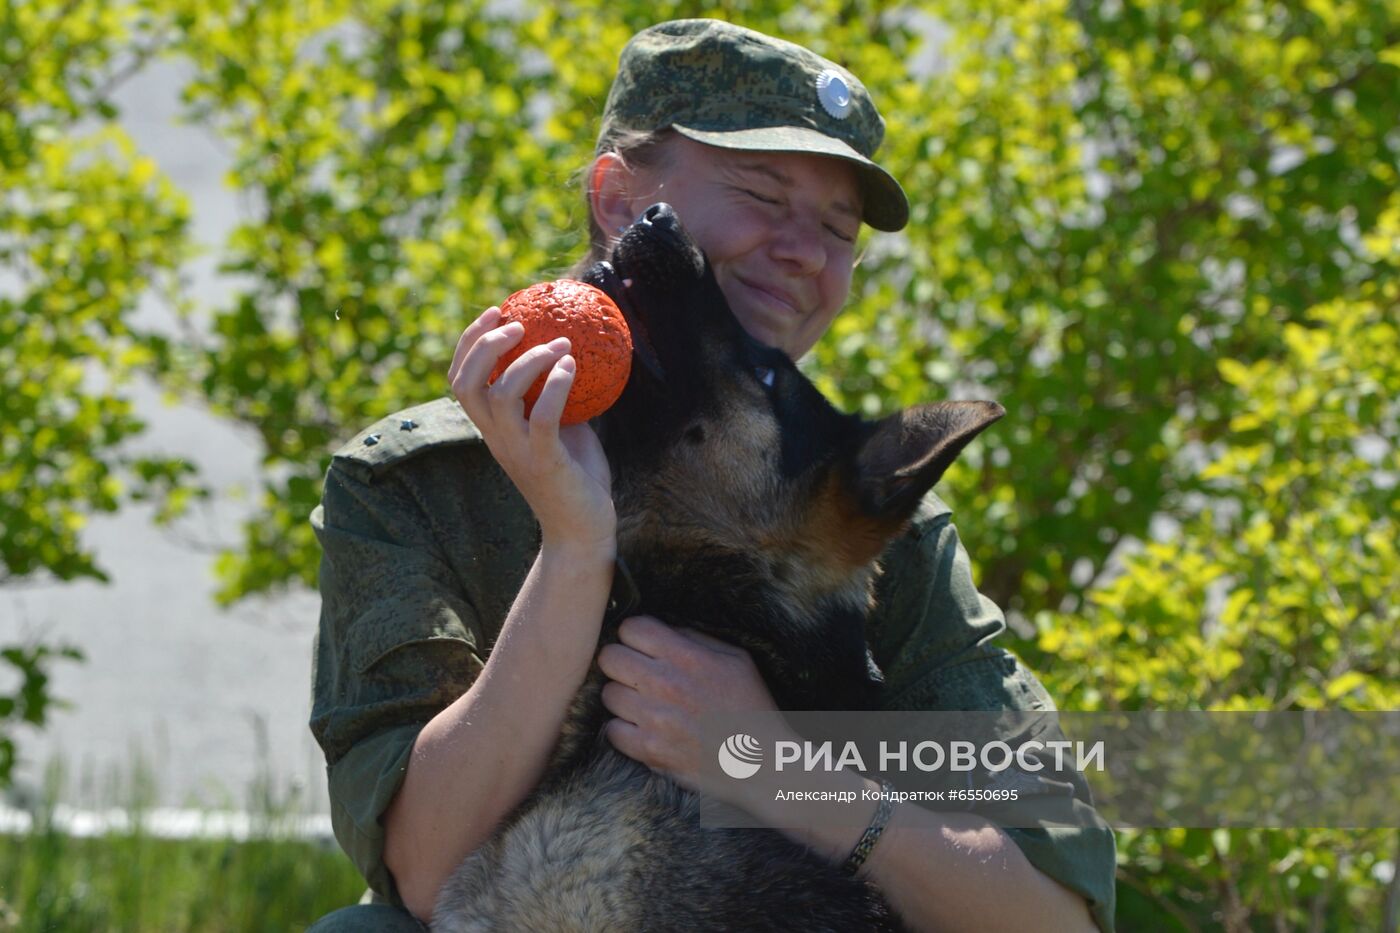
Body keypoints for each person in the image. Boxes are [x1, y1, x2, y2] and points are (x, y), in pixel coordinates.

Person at [307, 18, 1115, 933]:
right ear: (619, 201)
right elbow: (425, 871)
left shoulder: (865, 529)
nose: (804, 250)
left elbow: (1055, 917)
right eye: (762, 194)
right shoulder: (420, 484)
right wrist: (575, 550)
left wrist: (781, 770)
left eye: (837, 229)